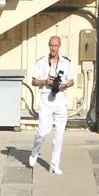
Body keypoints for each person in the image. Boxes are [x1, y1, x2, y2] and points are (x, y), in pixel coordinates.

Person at [28, 35, 76, 174]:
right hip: (46, 99)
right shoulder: (42, 62)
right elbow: (34, 81)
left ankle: (54, 164)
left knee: (59, 134)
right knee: (42, 131)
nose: (53, 48)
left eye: (55, 45)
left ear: (59, 46)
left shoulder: (66, 63)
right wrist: (45, 82)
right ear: (49, 46)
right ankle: (34, 152)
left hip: (60, 98)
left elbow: (71, 80)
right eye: (51, 45)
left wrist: (65, 84)